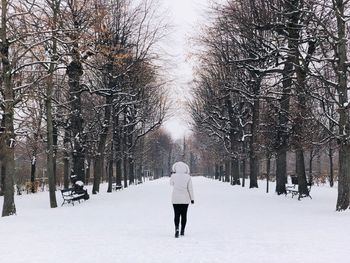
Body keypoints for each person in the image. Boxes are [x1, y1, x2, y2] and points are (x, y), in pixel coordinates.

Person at [170, 161, 194, 238]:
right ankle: (182, 230)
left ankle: (176, 228)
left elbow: (171, 184)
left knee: (176, 214)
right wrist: (192, 199)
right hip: (185, 199)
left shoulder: (173, 176)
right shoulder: (188, 177)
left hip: (175, 199)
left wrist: (173, 175)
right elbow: (190, 189)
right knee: (184, 215)